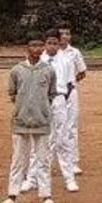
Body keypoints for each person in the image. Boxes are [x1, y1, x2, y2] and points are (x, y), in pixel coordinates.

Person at [0, 34, 60, 203]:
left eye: (40, 46)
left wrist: (41, 109)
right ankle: (12, 195)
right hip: (21, 122)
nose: (37, 49)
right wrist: (23, 109)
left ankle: (46, 195)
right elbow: (12, 93)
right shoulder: (17, 70)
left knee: (43, 160)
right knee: (18, 160)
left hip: (42, 121)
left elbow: (51, 93)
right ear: (27, 48)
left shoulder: (48, 70)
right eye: (33, 46)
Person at [37, 30, 79, 193]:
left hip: (59, 99)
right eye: (49, 43)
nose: (52, 46)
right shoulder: (39, 60)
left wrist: (61, 99)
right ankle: (35, 177)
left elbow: (70, 83)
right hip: (42, 101)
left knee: (62, 139)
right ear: (45, 44)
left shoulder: (66, 60)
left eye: (55, 43)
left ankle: (69, 178)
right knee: (41, 139)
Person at [58, 26, 87, 176]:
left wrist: (71, 82)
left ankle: (73, 161)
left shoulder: (74, 52)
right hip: (54, 94)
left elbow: (82, 72)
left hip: (70, 93)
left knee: (71, 127)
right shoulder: (49, 53)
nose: (65, 36)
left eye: (67, 34)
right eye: (62, 34)